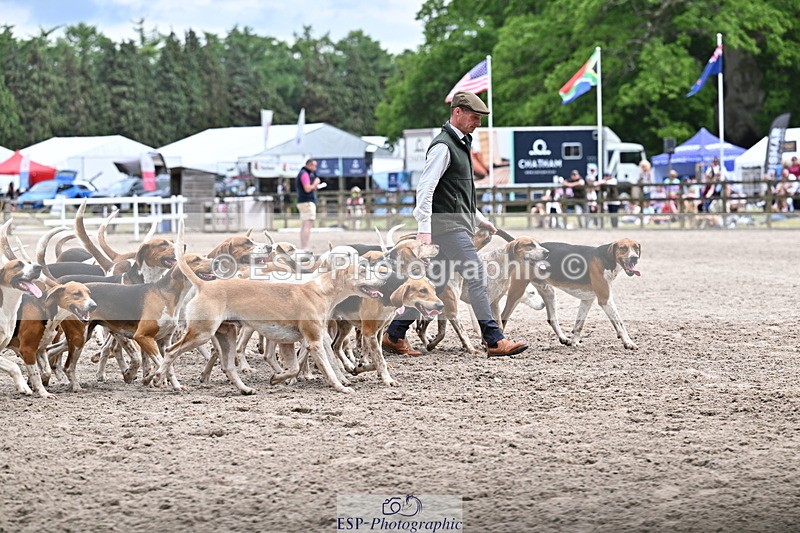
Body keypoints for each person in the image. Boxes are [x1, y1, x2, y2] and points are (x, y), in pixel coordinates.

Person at [382, 91, 528, 358]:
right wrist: (424, 230)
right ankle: (494, 340)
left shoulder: (460, 144)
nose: (478, 123)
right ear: (457, 112)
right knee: (477, 275)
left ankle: (394, 335)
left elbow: (458, 193)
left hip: (455, 224)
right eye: (474, 117)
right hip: (446, 227)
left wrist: (480, 218)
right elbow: (425, 190)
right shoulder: (443, 147)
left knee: (433, 284)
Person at [295, 159, 325, 250]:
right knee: (307, 225)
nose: (315, 168)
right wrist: (315, 184)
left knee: (304, 225)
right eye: (314, 166)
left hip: (303, 202)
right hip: (307, 202)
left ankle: (304, 246)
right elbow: (307, 188)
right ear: (309, 165)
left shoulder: (304, 173)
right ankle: (305, 247)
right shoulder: (304, 174)